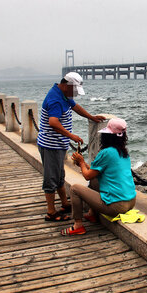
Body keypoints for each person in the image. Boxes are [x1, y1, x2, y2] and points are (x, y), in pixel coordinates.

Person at [37, 72, 105, 222]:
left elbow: (76, 107)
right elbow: (53, 122)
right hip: (51, 145)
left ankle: (64, 204)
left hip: (58, 145)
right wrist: (71, 136)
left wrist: (91, 117)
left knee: (59, 175)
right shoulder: (55, 99)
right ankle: (51, 212)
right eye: (74, 90)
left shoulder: (63, 94)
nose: (75, 94)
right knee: (51, 178)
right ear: (67, 85)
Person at [62, 118, 136, 236]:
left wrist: (81, 163)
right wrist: (83, 164)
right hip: (131, 201)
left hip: (116, 206)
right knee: (95, 180)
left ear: (107, 136)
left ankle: (78, 226)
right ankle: (92, 214)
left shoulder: (106, 153)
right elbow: (94, 172)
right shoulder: (123, 152)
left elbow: (87, 176)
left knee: (75, 189)